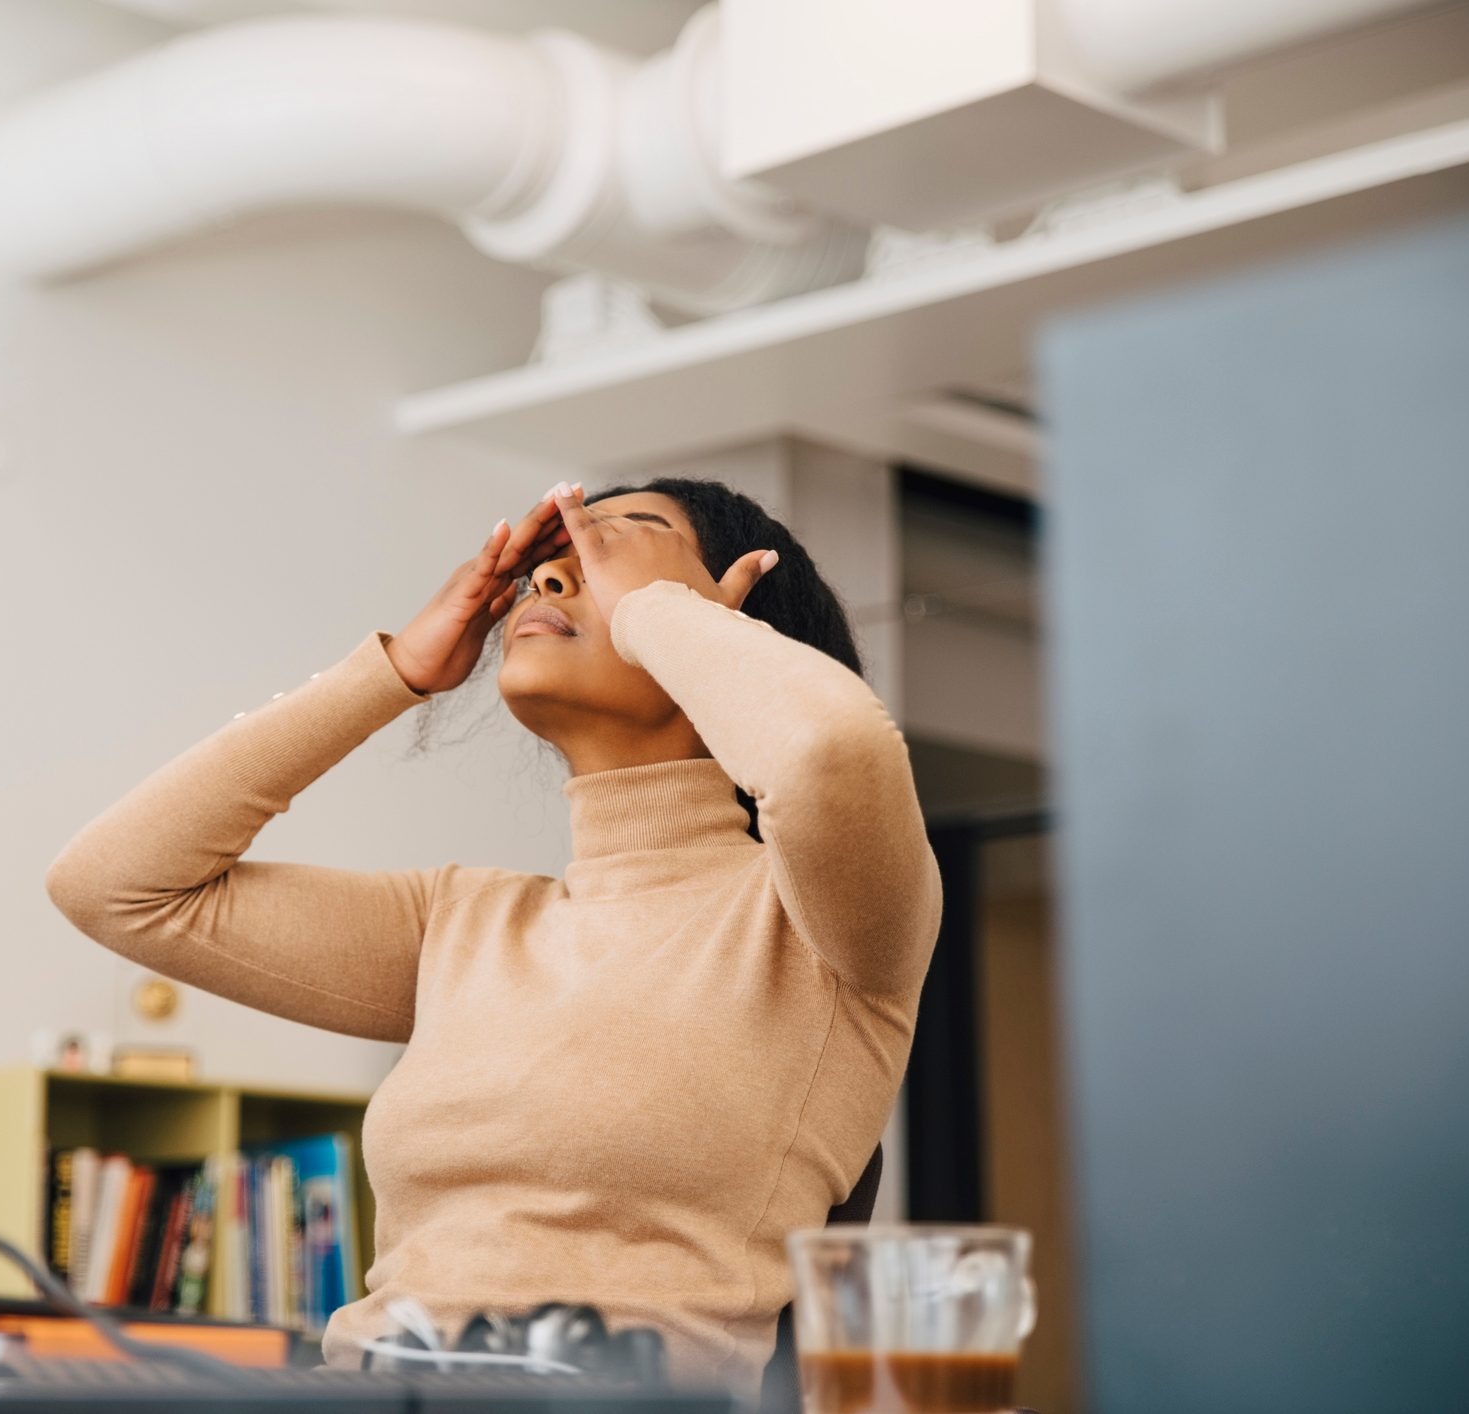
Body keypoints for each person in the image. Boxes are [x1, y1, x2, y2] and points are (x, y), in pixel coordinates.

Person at [46, 477, 942, 1393]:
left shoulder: (823, 926)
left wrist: (659, 616)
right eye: (549, 560)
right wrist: (390, 673)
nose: (551, 576)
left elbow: (831, 751)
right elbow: (115, 887)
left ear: (728, 617)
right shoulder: (462, 922)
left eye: (613, 547)